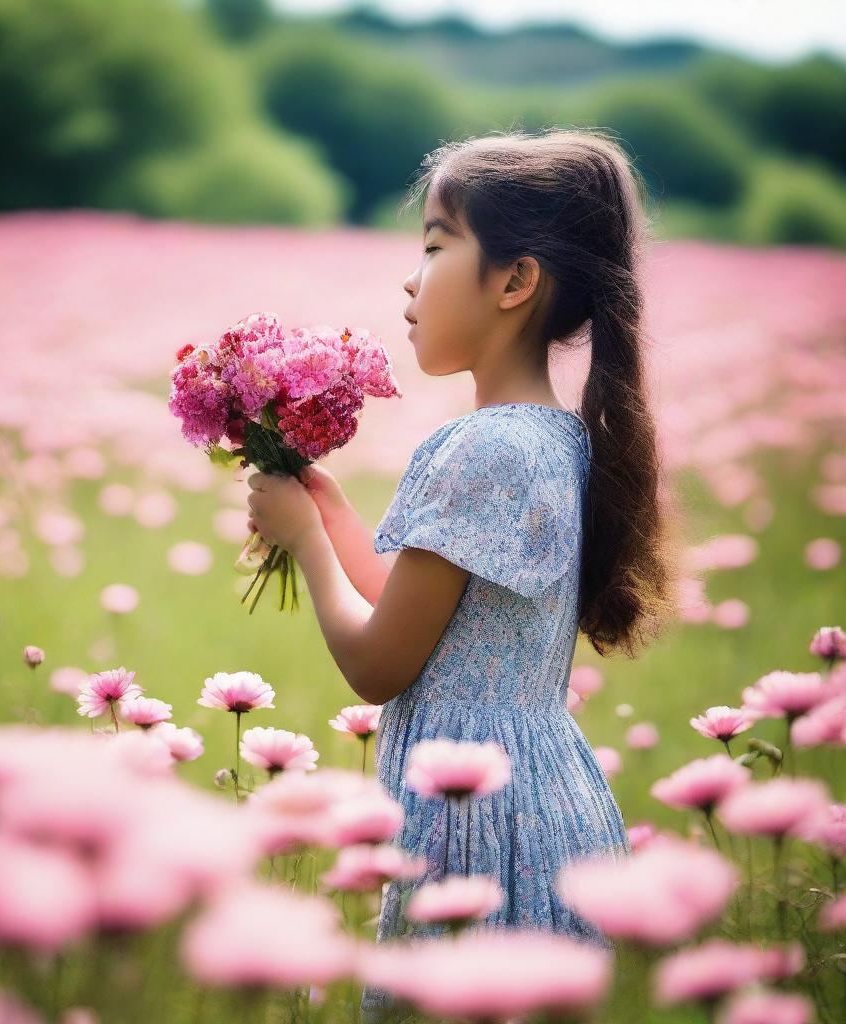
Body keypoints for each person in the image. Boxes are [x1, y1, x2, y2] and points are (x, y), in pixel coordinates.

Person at [243, 127, 683, 1019]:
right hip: (540, 799)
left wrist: (303, 545)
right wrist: (329, 513)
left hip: (476, 822)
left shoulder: (483, 448)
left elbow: (380, 664)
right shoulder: (551, 438)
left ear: (516, 282)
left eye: (438, 246)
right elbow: (429, 609)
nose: (412, 279)